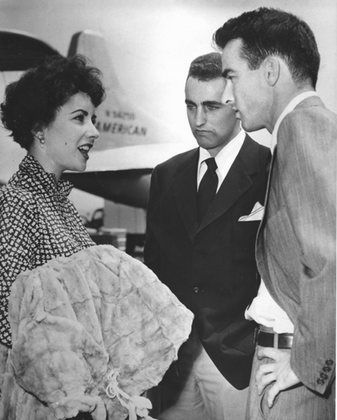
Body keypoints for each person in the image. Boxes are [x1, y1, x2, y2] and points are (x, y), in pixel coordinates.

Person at [214, 7, 336, 420]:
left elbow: (331, 257)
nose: (227, 96)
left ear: (269, 71)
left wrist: (305, 364)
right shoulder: (304, 129)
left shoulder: (304, 128)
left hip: (290, 365)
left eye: (231, 76)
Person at [144, 52, 271, 419]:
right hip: (173, 361)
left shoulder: (270, 169)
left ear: (237, 105)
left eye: (211, 106)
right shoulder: (166, 175)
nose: (198, 120)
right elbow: (153, 270)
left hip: (239, 362)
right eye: (191, 106)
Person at [0, 54, 105, 377]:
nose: (94, 132)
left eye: (93, 119)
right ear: (39, 128)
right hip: (46, 392)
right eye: (79, 118)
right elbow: (9, 321)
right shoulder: (18, 202)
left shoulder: (61, 205)